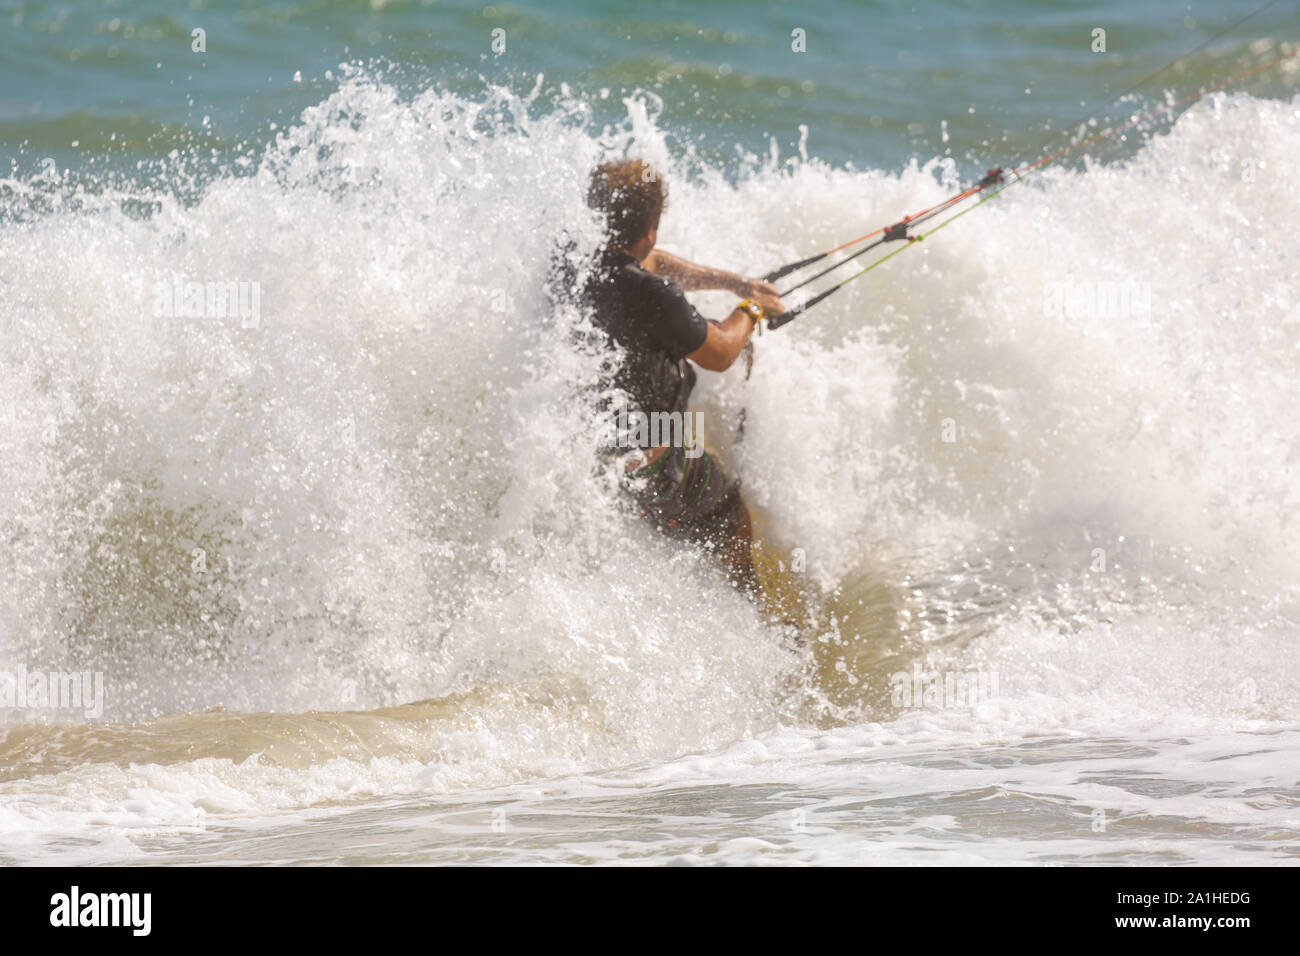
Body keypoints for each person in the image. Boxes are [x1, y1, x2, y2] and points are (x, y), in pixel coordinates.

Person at [572, 158, 786, 595]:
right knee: (734, 526)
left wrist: (735, 283)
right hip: (650, 456)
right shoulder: (653, 296)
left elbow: (654, 261)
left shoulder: (573, 260)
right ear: (650, 228)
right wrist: (751, 310)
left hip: (588, 445)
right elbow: (722, 352)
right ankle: (755, 624)